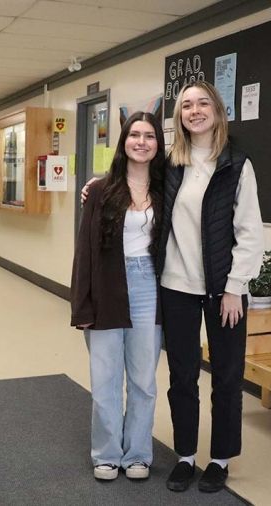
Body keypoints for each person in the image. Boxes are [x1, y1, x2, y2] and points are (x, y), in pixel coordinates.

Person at [82, 81, 265, 493]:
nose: (195, 111)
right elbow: (131, 173)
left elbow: (250, 231)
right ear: (179, 116)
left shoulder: (236, 163)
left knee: (226, 377)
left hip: (224, 291)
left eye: (202, 104)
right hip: (174, 286)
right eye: (186, 105)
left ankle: (219, 460)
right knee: (181, 376)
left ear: (217, 111)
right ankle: (185, 455)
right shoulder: (174, 164)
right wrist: (92, 186)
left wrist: (236, 286)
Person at [70, 111, 166, 482]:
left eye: (150, 136)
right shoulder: (99, 190)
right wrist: (82, 304)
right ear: (123, 141)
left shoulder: (166, 189)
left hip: (149, 287)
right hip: (108, 285)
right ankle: (107, 454)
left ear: (158, 144)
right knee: (106, 378)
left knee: (143, 380)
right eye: (134, 135)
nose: (141, 142)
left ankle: (138, 453)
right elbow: (85, 251)